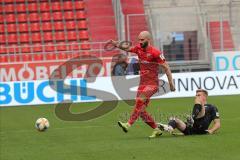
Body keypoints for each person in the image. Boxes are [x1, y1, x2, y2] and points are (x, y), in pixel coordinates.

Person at [109, 31, 175, 138]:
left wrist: (171, 84)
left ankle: (128, 124)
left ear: (148, 40)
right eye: (138, 40)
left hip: (152, 84)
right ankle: (156, 129)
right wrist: (117, 44)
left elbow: (166, 67)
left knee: (139, 101)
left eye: (142, 40)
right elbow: (128, 48)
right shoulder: (139, 49)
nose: (139, 42)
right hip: (142, 84)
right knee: (141, 111)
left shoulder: (156, 53)